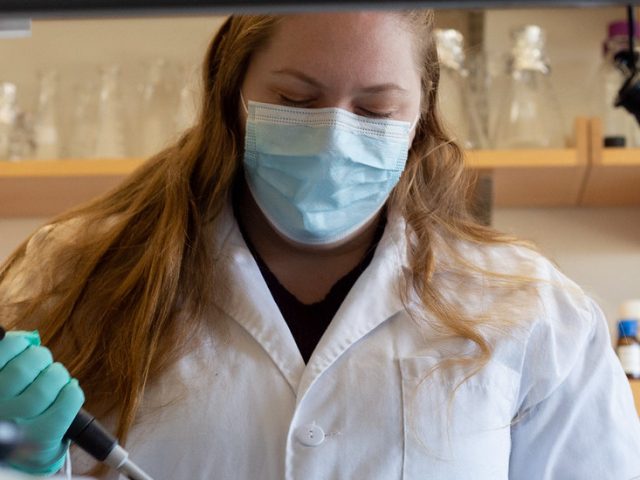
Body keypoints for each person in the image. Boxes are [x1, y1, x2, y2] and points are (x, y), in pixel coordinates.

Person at [1, 10, 639, 480]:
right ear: (232, 98)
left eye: (375, 110)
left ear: (420, 121)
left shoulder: (531, 308)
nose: (335, 133)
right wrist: (16, 461)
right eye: (296, 99)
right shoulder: (74, 273)